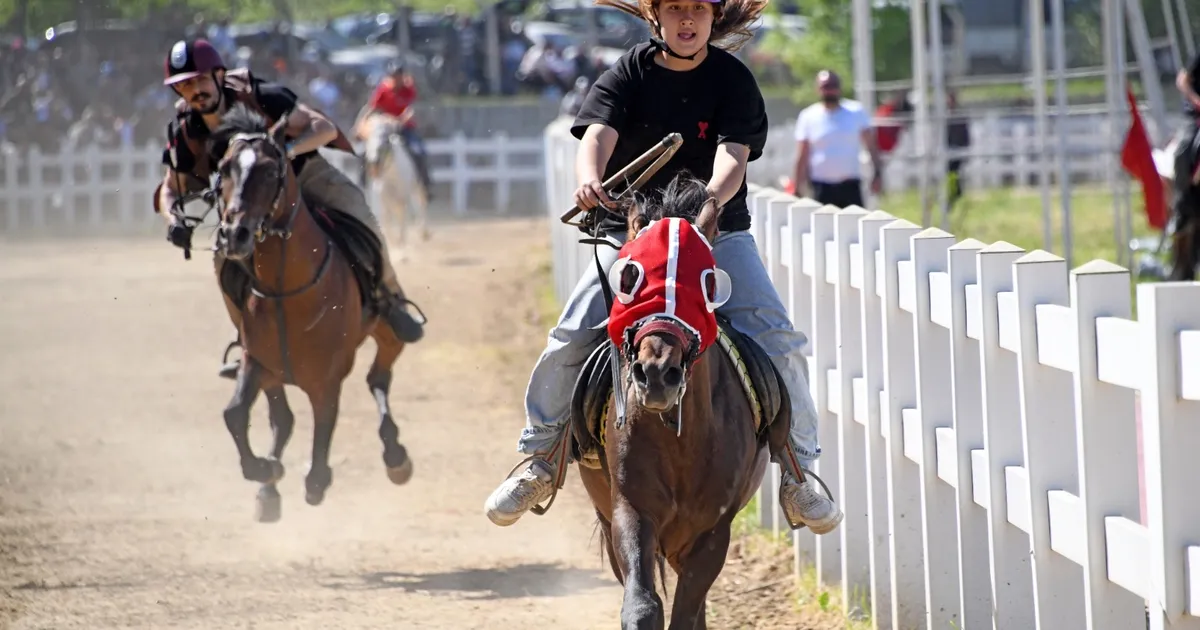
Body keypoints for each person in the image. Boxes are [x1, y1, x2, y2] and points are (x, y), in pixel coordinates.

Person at [483, 0, 843, 535]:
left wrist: (707, 209)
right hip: (630, 234)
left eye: (697, 8)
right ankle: (541, 459)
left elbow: (732, 161)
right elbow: (599, 135)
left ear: (712, 18)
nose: (687, 19)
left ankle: (798, 470)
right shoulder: (628, 71)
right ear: (657, 19)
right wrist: (590, 178)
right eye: (675, 8)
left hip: (713, 232)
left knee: (778, 336)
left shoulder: (733, 80)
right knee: (574, 329)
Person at [152, 39, 425, 379]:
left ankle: (391, 299)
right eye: (184, 85)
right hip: (251, 196)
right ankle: (248, 344)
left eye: (199, 80)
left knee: (360, 216)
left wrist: (287, 150)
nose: (194, 91)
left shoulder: (259, 93)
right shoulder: (184, 127)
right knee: (224, 257)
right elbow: (170, 188)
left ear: (219, 75)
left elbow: (323, 128)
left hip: (305, 173)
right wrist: (172, 219)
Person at [792, 70, 882, 208]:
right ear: (818, 89)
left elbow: (871, 146)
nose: (829, 91)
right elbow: (802, 154)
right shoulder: (808, 116)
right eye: (825, 87)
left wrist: (877, 173)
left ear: (839, 88)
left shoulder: (856, 112)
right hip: (821, 187)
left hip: (850, 186)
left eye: (832, 86)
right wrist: (798, 186)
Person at [355, 59, 435, 201]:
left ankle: (425, 185)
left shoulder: (408, 89)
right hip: (385, 127)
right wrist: (360, 124)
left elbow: (411, 109)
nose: (396, 78)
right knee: (363, 151)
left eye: (398, 75)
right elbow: (372, 108)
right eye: (393, 75)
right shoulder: (384, 89)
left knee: (418, 151)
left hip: (404, 127)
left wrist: (402, 120)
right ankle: (363, 186)